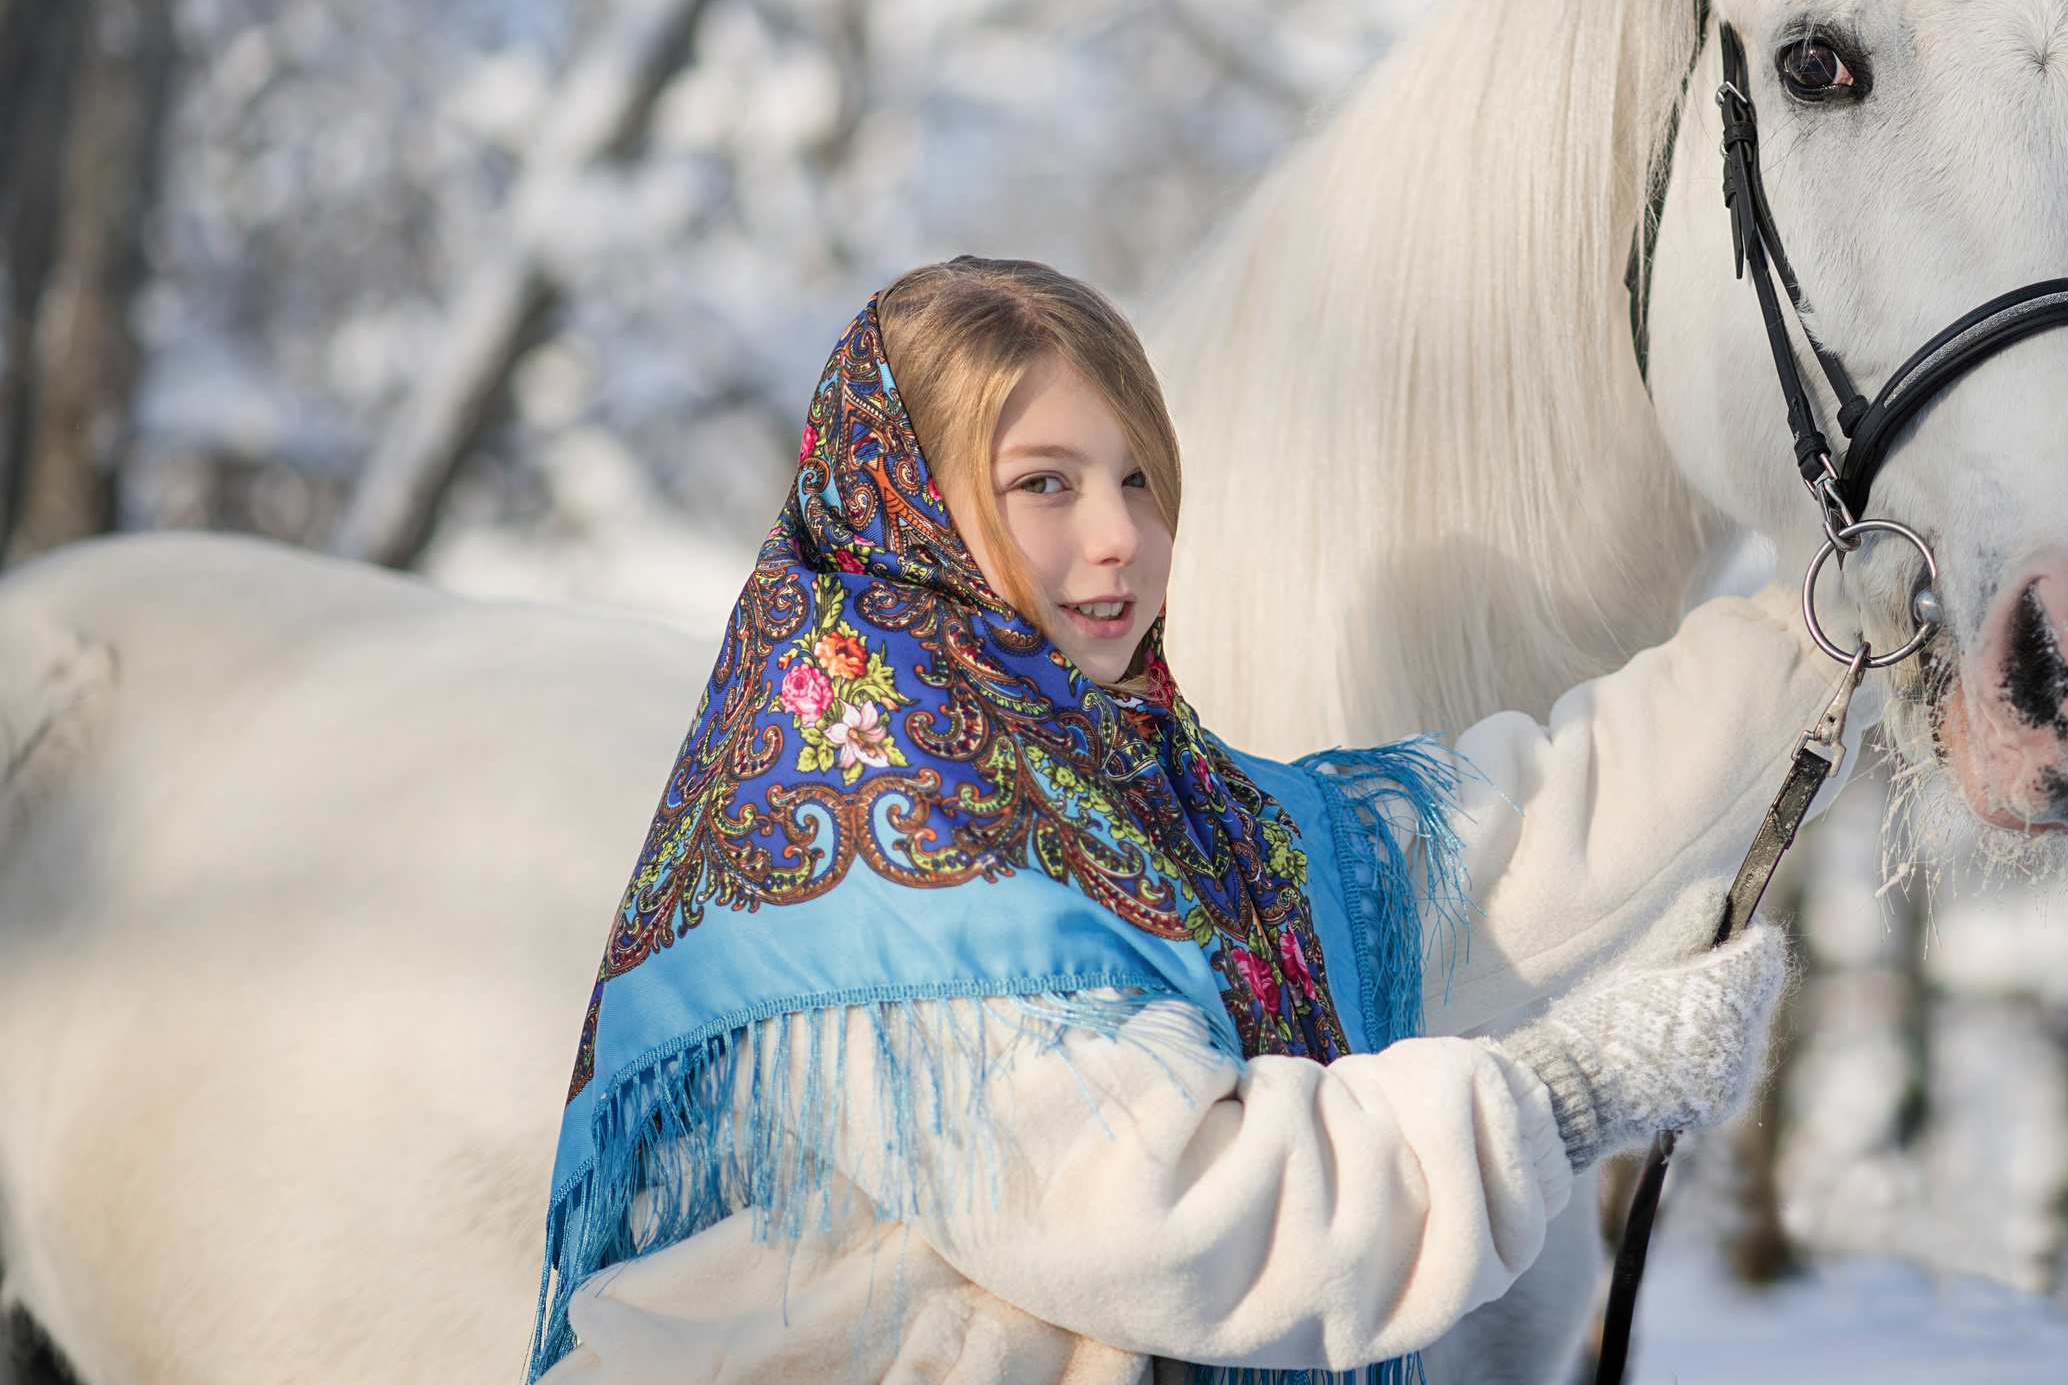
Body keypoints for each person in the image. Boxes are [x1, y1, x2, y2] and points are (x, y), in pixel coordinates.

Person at [535, 257, 1836, 1385]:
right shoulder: (864, 845)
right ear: (902, 506)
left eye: (1141, 478)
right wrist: (1565, 1095)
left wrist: (1815, 638)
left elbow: (1494, 849)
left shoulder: (1144, 801)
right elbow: (1163, 1211)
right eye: (1044, 484)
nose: (1122, 538)